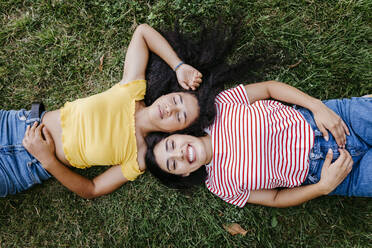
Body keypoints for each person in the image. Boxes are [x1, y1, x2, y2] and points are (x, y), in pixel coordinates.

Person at [2, 23, 265, 198]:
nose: (171, 108)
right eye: (177, 99)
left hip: (25, 167)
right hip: (16, 123)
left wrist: (47, 160)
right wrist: (178, 65)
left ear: (179, 131)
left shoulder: (139, 158)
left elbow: (92, 189)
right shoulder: (131, 90)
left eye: (180, 116)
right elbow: (142, 33)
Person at [145, 81, 372, 208]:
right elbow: (275, 198)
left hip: (333, 119)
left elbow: (269, 89)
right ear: (184, 174)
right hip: (334, 173)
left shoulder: (221, 105)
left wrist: (317, 106)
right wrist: (322, 188)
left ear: (179, 133)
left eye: (171, 145)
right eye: (173, 165)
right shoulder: (219, 186)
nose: (179, 154)